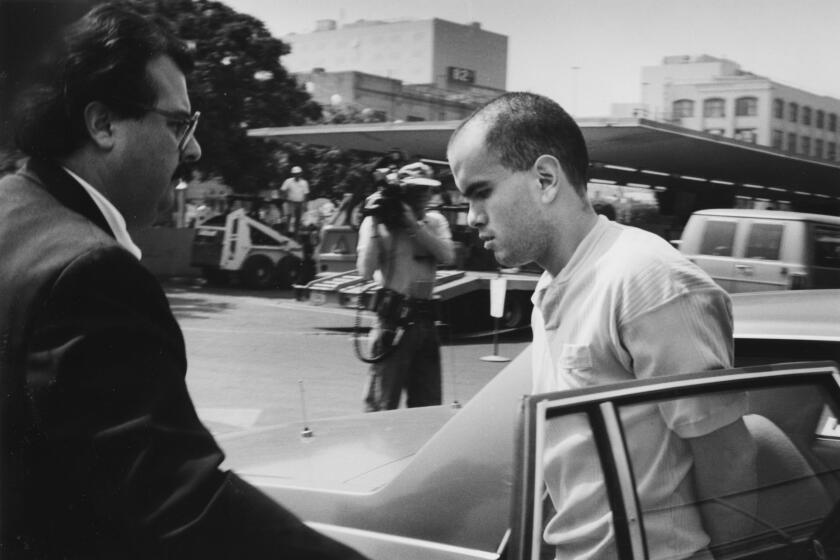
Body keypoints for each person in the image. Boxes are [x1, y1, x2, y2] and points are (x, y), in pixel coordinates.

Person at [0, 4, 366, 558]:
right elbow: (179, 504)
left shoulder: (13, 211)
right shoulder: (90, 273)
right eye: (177, 124)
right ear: (103, 125)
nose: (192, 149)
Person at [447, 92, 757, 559]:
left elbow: (729, 458)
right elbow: (572, 473)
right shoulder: (553, 289)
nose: (471, 218)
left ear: (546, 178)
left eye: (481, 192)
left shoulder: (646, 278)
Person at [356, 163, 455, 411]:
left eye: (427, 190)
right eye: (416, 189)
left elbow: (447, 255)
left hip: (425, 323)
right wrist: (375, 224)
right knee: (381, 403)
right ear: (402, 190)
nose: (423, 195)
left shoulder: (434, 222)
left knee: (428, 406)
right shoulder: (379, 224)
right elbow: (365, 272)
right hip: (392, 323)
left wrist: (414, 226)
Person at [280, 165, 309, 233]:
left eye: (298, 173)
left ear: (300, 173)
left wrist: (305, 204)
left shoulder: (304, 182)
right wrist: (285, 198)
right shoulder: (288, 181)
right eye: (295, 174)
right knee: (288, 218)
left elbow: (306, 194)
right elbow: (282, 190)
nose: (297, 175)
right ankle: (286, 234)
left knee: (298, 220)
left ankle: (296, 235)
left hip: (299, 203)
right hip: (290, 202)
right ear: (292, 174)